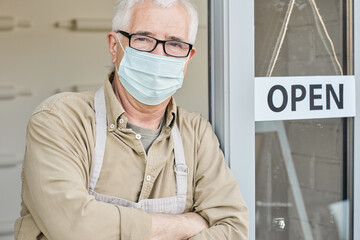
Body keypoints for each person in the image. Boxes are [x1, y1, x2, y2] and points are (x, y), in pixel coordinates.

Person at [14, 0, 248, 239]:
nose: (159, 54)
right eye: (144, 38)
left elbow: (233, 228)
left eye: (175, 44)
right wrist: (186, 224)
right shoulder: (61, 120)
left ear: (188, 57)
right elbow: (74, 227)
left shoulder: (196, 134)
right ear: (114, 46)